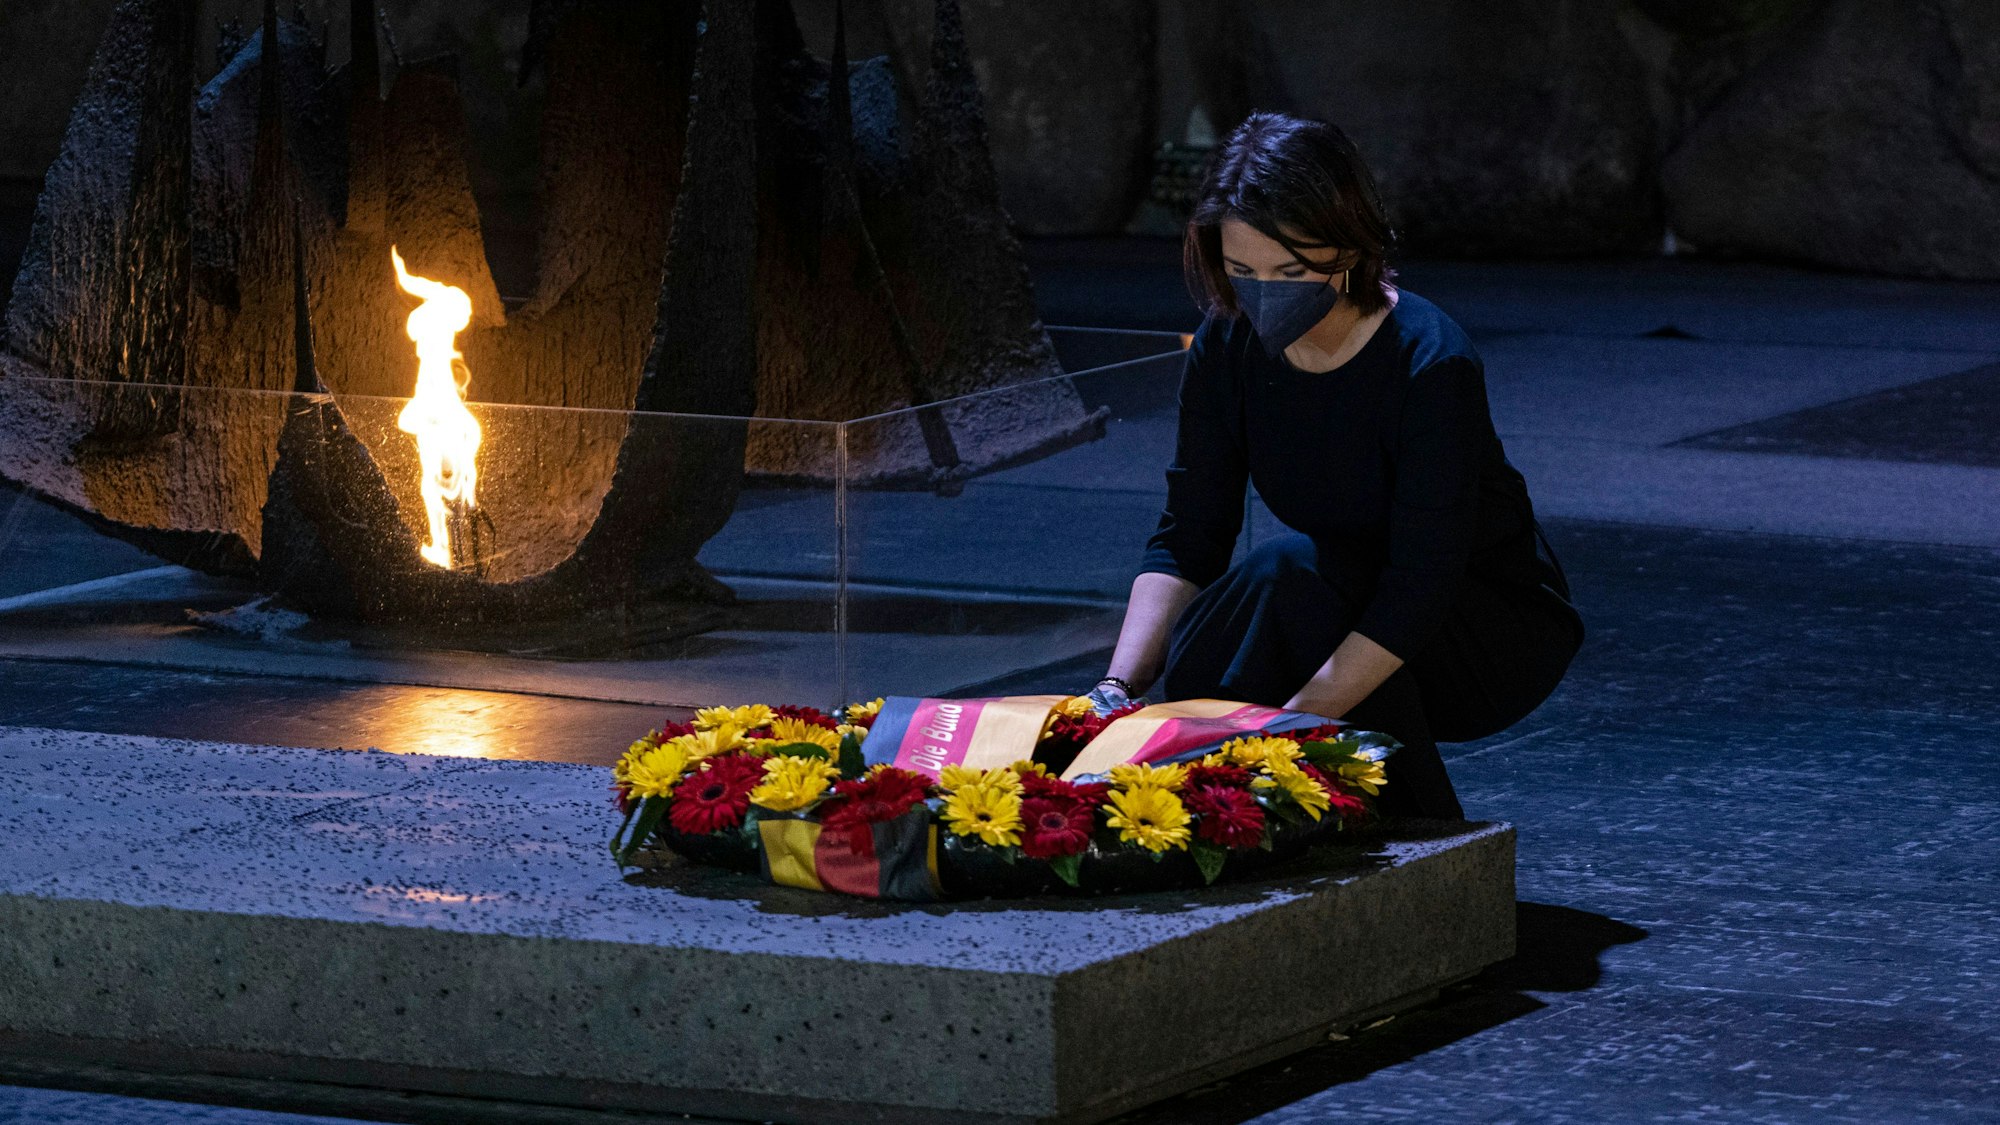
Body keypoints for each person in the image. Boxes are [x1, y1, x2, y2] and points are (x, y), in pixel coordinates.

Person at [1086, 111, 1585, 820]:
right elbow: (1189, 530)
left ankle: (1418, 831)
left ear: (1349, 246)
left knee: (1286, 579)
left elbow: (1421, 581)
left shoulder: (1429, 360)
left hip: (1476, 623)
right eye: (1242, 271)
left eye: (1291, 270)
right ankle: (1242, 817)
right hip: (1332, 599)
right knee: (1214, 642)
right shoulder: (1227, 346)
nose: (1264, 293)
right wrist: (1114, 688)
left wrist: (1282, 732)